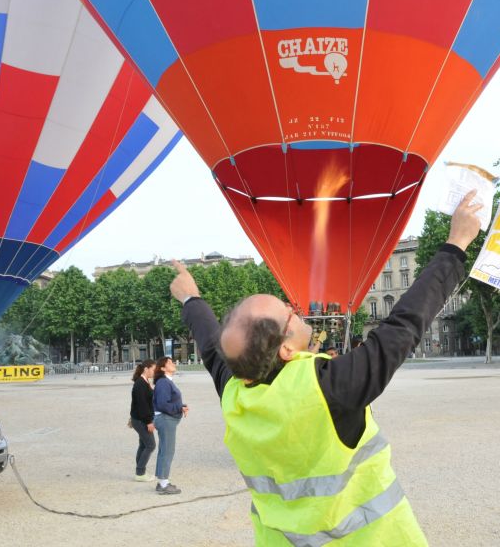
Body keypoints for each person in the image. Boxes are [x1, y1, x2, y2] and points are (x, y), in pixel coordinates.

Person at [170, 190, 482, 545]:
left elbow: (212, 345)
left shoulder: (235, 393)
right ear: (286, 349)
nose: (293, 305)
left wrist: (191, 299)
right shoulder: (329, 389)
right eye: (287, 311)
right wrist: (456, 244)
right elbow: (404, 326)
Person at [151, 356, 188, 495]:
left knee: (164, 450)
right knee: (167, 450)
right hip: (165, 419)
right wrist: (178, 408)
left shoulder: (165, 382)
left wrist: (180, 406)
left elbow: (167, 402)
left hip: (167, 419)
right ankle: (164, 483)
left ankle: (162, 481)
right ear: (162, 368)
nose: (173, 363)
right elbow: (162, 404)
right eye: (170, 362)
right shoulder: (163, 382)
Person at [129, 359, 157, 482]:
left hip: (139, 418)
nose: (154, 372)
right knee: (151, 445)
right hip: (141, 420)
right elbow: (142, 405)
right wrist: (149, 422)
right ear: (146, 369)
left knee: (143, 444)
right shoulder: (141, 383)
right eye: (153, 369)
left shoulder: (144, 382)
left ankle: (139, 471)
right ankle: (140, 473)